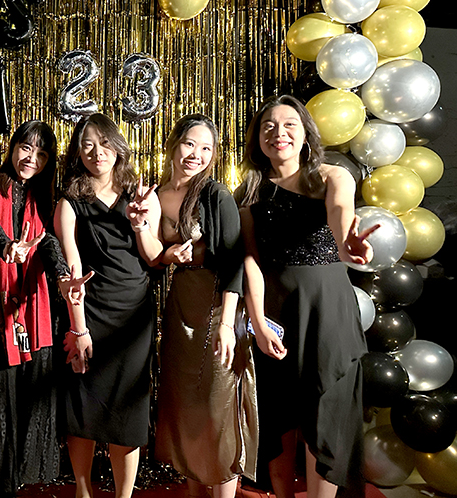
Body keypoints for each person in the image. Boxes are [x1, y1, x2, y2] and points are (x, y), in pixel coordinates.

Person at [236, 95, 374, 498]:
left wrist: (349, 244)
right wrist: (258, 323)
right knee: (277, 417)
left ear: (305, 133)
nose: (278, 133)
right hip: (275, 313)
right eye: (268, 126)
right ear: (257, 138)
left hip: (327, 311)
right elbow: (250, 260)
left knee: (325, 414)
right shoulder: (249, 191)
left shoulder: (332, 176)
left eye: (289, 124)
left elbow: (340, 214)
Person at [127, 114, 257, 498]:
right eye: (189, 144)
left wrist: (227, 324)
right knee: (188, 407)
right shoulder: (155, 195)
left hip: (218, 306)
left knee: (219, 408)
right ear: (173, 144)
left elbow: (234, 263)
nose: (195, 154)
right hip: (180, 304)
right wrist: (142, 228)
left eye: (205, 148)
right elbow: (153, 256)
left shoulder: (216, 195)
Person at [0, 120, 80, 498]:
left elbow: (48, 243)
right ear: (13, 148)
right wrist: (7, 246)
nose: (32, 158)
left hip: (31, 315)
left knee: (22, 407)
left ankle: (10, 488)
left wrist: (62, 277)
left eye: (42, 154)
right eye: (26, 148)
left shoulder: (43, 200)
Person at [54, 113, 152, 498]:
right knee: (84, 406)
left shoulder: (138, 194)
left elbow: (152, 255)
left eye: (105, 142)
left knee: (128, 411)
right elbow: (72, 268)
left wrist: (142, 223)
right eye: (88, 145)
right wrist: (78, 328)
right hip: (91, 311)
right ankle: (83, 491)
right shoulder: (70, 203)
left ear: (118, 146)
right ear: (78, 153)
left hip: (134, 314)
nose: (98, 152)